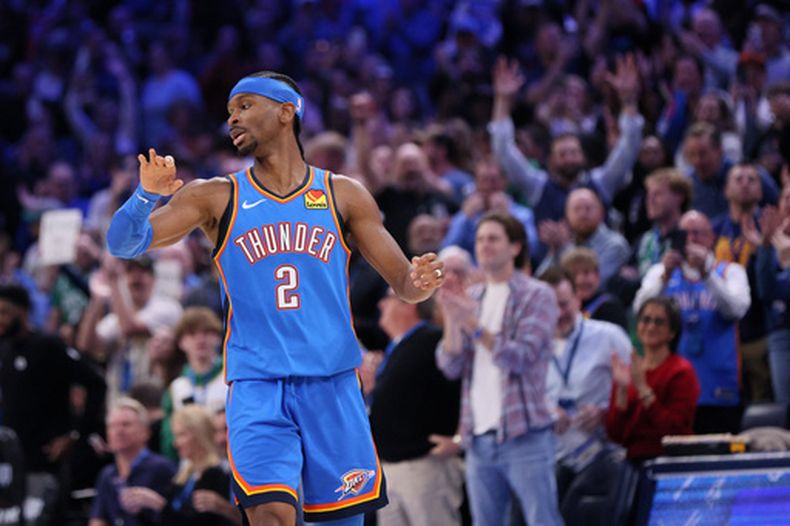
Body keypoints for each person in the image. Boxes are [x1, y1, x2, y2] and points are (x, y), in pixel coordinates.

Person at [106, 70, 445, 526]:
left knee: (339, 522)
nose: (233, 119)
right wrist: (145, 195)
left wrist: (420, 281)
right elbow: (123, 244)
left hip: (332, 384)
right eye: (229, 112)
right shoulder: (215, 196)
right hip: (258, 385)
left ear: (286, 112)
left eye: (245, 106)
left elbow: (403, 283)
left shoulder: (342, 194)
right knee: (269, 515)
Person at [436, 211, 564, 526]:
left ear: (516, 247)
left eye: (494, 238)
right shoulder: (473, 297)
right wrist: (452, 320)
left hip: (525, 434)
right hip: (478, 435)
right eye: (480, 239)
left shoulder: (537, 294)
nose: (484, 245)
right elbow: (450, 365)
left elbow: (521, 357)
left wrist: (472, 324)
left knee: (542, 520)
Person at [634, 211, 749, 434]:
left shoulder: (730, 271)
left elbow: (735, 310)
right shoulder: (660, 272)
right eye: (684, 233)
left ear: (711, 238)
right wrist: (664, 277)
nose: (691, 239)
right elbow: (640, 310)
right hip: (670, 386)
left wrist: (707, 275)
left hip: (718, 382)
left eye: (698, 233)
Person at [368, 292, 462, 526]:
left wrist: (461, 440)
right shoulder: (397, 347)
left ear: (409, 304)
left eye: (388, 297)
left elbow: (465, 384)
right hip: (389, 469)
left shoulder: (431, 339)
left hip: (424, 467)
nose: (380, 303)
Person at [607, 297, 700, 462]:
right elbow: (616, 435)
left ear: (672, 332)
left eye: (659, 322)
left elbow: (674, 430)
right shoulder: (629, 371)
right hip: (633, 463)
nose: (651, 327)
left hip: (669, 462)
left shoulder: (681, 371)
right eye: (646, 320)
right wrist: (621, 390)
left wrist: (643, 389)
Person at [118, 405, 241, 526]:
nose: (175, 443)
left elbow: (197, 522)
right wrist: (142, 507)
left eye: (181, 435)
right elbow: (166, 519)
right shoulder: (184, 475)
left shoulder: (215, 474)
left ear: (199, 434)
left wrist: (157, 504)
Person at [89, 397, 176, 526]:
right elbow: (98, 518)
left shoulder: (162, 468)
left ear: (146, 432)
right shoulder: (107, 475)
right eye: (112, 426)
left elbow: (176, 516)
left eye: (126, 424)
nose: (118, 431)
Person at [160, 307, 227, 461]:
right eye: (192, 334)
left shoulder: (231, 378)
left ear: (217, 337)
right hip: (191, 466)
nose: (200, 340)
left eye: (206, 332)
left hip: (229, 464)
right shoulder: (176, 387)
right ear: (181, 343)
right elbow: (169, 439)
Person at [559, 248, 628, 330]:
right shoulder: (563, 309)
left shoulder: (610, 308)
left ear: (597, 275)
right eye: (574, 274)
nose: (580, 280)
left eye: (586, 273)